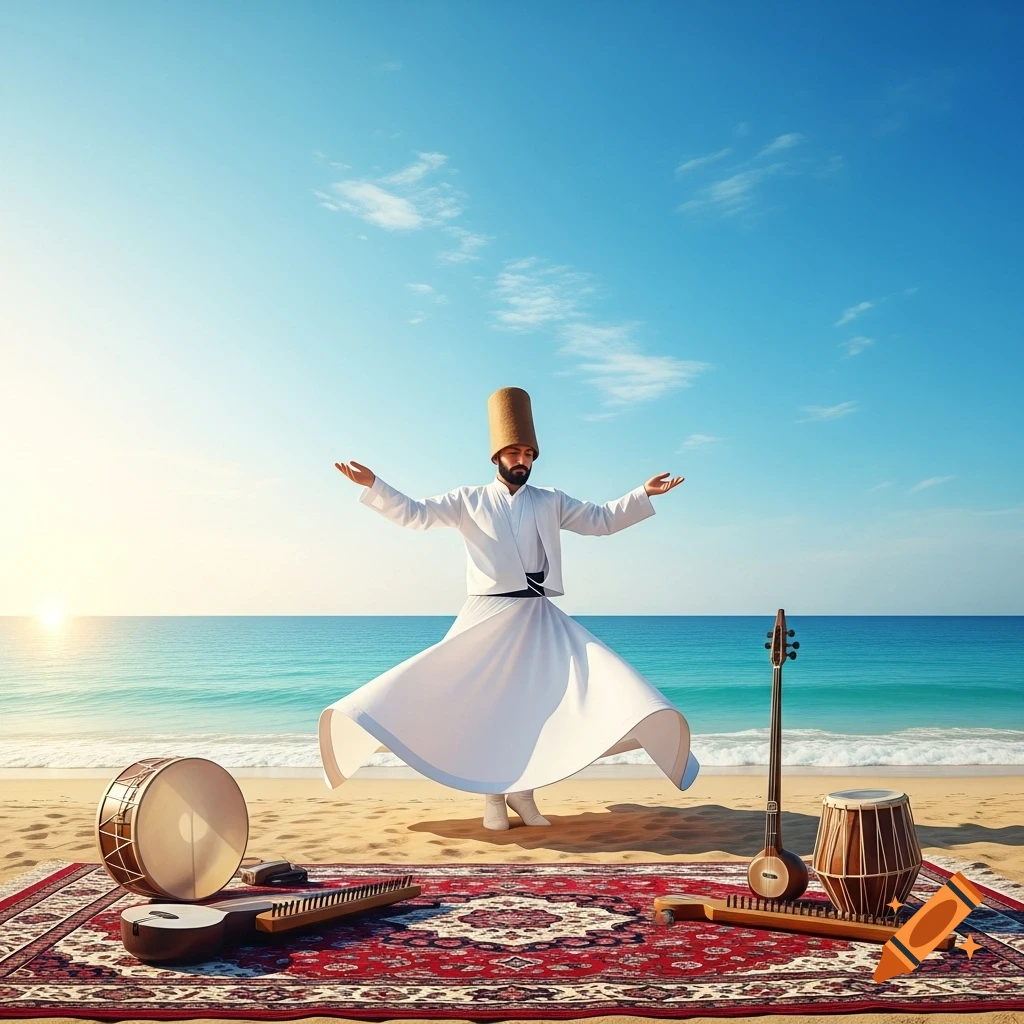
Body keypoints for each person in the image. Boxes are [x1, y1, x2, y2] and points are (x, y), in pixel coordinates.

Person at [321, 386, 699, 830]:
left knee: (537, 707)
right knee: (485, 708)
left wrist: (642, 494)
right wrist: (374, 486)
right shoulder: (468, 499)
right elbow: (416, 514)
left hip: (537, 618)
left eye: (528, 454)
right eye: (514, 452)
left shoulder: (551, 499)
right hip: (485, 616)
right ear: (496, 456)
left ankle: (524, 794)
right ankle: (494, 800)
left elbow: (601, 520)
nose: (522, 460)